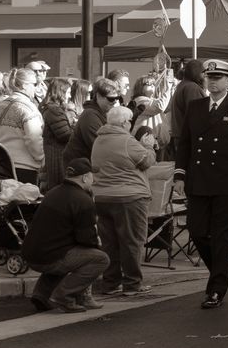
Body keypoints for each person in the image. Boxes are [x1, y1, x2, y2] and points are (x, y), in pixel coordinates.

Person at [172, 59, 228, 309]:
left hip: (226, 181)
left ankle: (216, 289)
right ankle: (224, 267)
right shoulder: (196, 106)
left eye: (218, 77)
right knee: (197, 231)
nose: (212, 81)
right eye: (209, 77)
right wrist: (180, 175)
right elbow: (185, 143)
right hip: (198, 179)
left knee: (221, 236)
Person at [21, 158, 109, 313]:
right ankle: (64, 296)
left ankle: (41, 295)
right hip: (51, 256)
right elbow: (86, 239)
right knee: (100, 259)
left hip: (31, 253)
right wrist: (97, 245)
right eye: (91, 175)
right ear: (84, 177)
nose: (93, 179)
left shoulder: (52, 193)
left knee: (65, 254)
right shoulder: (83, 200)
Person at [91, 105, 157, 296]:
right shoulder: (127, 141)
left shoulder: (99, 140)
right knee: (132, 242)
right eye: (129, 121)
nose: (130, 124)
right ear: (124, 123)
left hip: (102, 197)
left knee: (109, 242)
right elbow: (147, 162)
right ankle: (132, 284)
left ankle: (111, 283)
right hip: (130, 197)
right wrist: (148, 145)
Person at [0, 68, 44, 185]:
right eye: (34, 84)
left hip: (2, 164)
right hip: (25, 167)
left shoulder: (1, 105)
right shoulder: (29, 108)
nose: (37, 88)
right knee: (25, 201)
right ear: (24, 85)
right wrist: (41, 158)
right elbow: (34, 138)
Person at [63, 77, 122, 166]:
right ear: (98, 96)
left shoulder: (104, 113)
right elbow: (100, 146)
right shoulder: (90, 116)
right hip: (80, 170)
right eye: (111, 99)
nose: (115, 102)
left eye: (117, 98)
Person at [40, 78, 77, 192]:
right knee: (59, 191)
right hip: (57, 157)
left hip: (55, 155)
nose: (70, 96)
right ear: (61, 92)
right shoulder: (54, 110)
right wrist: (77, 129)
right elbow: (64, 135)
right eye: (68, 93)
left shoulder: (51, 108)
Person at [170, 59, 206, 155]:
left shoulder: (183, 85)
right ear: (198, 73)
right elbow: (197, 116)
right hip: (190, 139)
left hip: (182, 137)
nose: (205, 76)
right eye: (203, 73)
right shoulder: (192, 87)